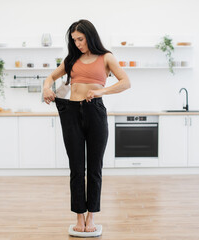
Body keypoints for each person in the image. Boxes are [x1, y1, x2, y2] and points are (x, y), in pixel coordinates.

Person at [43, 19, 130, 233]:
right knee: (76, 169)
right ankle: (79, 218)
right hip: (71, 113)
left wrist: (101, 91)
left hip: (95, 112)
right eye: (74, 40)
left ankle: (91, 217)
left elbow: (125, 82)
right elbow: (51, 77)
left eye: (80, 39)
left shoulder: (106, 57)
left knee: (94, 168)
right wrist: (46, 87)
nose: (78, 44)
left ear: (90, 36)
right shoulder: (72, 59)